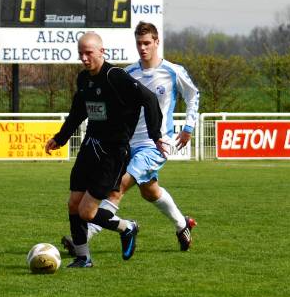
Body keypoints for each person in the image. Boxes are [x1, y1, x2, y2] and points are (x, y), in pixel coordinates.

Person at [62, 22, 200, 254]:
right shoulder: (126, 73)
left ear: (157, 42)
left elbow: (193, 94)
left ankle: (82, 241)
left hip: (155, 144)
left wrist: (188, 127)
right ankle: (182, 224)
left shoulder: (173, 71)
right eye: (139, 43)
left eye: (147, 43)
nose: (143, 48)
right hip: (127, 144)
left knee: (118, 188)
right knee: (149, 191)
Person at [45, 31, 168, 268]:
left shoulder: (116, 76)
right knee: (73, 204)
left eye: (88, 52)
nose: (83, 58)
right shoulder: (84, 79)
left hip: (113, 153)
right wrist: (60, 138)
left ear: (102, 51)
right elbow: (78, 112)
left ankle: (127, 227)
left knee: (88, 213)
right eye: (80, 53)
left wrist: (155, 136)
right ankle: (83, 258)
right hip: (90, 147)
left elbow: (150, 99)